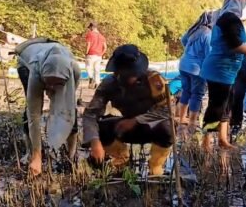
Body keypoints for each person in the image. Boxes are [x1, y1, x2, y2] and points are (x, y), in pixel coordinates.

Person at [82, 44, 174, 175]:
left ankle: (155, 168)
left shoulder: (155, 80)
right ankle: (121, 162)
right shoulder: (109, 84)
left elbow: (167, 111)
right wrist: (94, 142)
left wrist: (136, 120)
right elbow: (90, 115)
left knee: (168, 128)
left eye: (133, 74)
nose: (130, 78)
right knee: (102, 128)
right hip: (124, 129)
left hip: (152, 128)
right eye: (126, 74)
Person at [200, 0, 246, 151]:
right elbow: (235, 46)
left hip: (226, 71)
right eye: (245, 1)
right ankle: (206, 142)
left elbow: (236, 45)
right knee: (216, 107)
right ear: (238, 1)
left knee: (226, 105)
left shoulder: (228, 18)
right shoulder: (230, 19)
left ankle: (222, 139)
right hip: (218, 70)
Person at [15, 38, 80, 176]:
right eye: (48, 83)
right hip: (29, 65)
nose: (50, 89)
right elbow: (34, 116)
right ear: (43, 79)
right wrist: (37, 157)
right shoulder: (35, 70)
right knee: (31, 110)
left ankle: (71, 155)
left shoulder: (74, 69)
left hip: (58, 66)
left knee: (69, 109)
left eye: (55, 85)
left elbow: (68, 107)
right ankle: (31, 153)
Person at [177, 11, 213, 137]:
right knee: (197, 95)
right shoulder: (208, 34)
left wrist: (189, 51)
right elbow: (209, 54)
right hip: (197, 68)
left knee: (186, 91)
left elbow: (183, 40)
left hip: (183, 64)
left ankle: (181, 119)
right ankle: (192, 123)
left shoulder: (194, 30)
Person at [85, 22, 107, 89]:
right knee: (97, 69)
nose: (89, 29)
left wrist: (86, 53)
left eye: (90, 28)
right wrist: (101, 54)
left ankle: (91, 78)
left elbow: (88, 44)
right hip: (99, 55)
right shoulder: (102, 36)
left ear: (92, 27)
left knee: (88, 67)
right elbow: (105, 47)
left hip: (91, 54)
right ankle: (97, 83)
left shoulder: (90, 34)